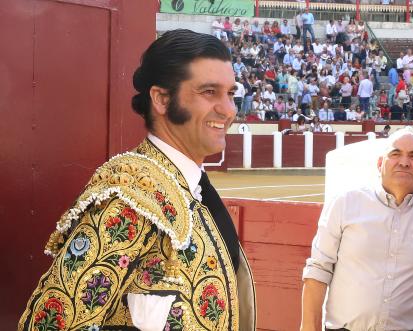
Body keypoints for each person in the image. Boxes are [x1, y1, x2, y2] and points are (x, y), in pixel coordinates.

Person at [17, 29, 256, 330]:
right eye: (209, 92)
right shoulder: (129, 196)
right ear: (161, 99)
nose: (229, 109)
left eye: (231, 93)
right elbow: (51, 324)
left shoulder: (190, 187)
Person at [300, 129, 413, 331]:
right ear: (380, 164)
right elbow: (318, 269)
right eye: (395, 154)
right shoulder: (346, 203)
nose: (404, 162)